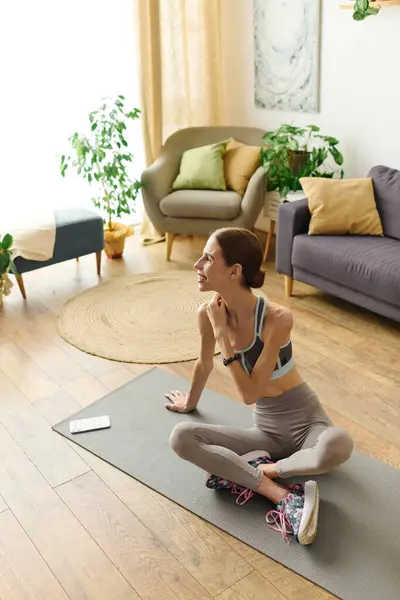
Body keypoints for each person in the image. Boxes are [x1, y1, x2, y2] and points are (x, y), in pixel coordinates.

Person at [165, 227, 354, 545]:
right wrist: (191, 402)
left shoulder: (277, 319)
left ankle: (266, 470)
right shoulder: (208, 314)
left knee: (340, 443)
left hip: (308, 423)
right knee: (181, 437)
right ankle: (280, 493)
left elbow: (249, 393)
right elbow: (204, 363)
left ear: (234, 271)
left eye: (208, 258)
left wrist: (223, 335)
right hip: (266, 431)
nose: (197, 264)